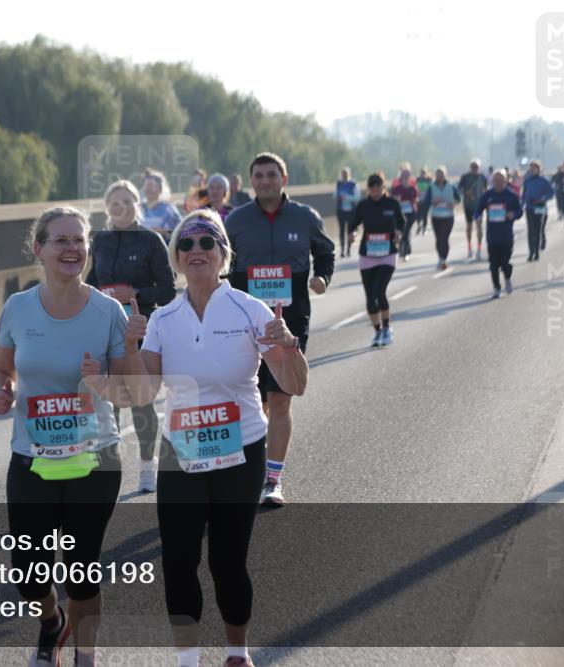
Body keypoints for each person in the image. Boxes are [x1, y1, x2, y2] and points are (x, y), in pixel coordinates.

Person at [124, 209, 309, 667]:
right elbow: (143, 391)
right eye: (186, 244)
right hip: (182, 453)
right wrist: (131, 347)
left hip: (240, 451)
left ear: (223, 253)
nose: (196, 251)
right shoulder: (163, 318)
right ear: (176, 258)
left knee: (227, 562)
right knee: (178, 561)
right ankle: (188, 659)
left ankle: (236, 652)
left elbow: (295, 383)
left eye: (207, 242)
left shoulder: (250, 310)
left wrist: (289, 347)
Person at [0, 205, 139, 667]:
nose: (72, 249)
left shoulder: (107, 311)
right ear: (39, 249)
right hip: (32, 458)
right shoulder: (17, 308)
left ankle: (84, 655)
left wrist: (117, 365)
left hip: (94, 459)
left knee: (81, 569)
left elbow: (131, 393)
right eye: (61, 241)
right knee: (30, 576)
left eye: (80, 241)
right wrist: (2, 389)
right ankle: (51, 622)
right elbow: (1, 369)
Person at [225, 152, 334, 506]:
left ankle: (272, 480)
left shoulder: (305, 217)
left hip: (290, 319)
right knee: (250, 399)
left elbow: (326, 252)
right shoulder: (236, 221)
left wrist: (321, 276)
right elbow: (221, 262)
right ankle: (245, 466)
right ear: (251, 181)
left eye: (272, 174)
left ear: (284, 179)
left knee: (280, 397)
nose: (265, 180)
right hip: (244, 321)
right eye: (259, 175)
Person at [87, 180, 176, 492]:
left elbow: (168, 290)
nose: (121, 208)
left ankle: (147, 465)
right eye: (115, 203)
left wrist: (135, 292)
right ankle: (106, 469)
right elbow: (89, 283)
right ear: (108, 208)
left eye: (128, 202)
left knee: (140, 401)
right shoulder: (101, 241)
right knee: (108, 401)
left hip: (140, 329)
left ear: (138, 205)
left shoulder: (151, 241)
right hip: (106, 330)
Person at [349, 173, 404, 347]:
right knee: (370, 297)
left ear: (383, 187)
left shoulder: (392, 204)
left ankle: (387, 329)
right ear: (368, 189)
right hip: (368, 255)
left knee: (380, 291)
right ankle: (377, 331)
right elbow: (353, 224)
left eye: (378, 188)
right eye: (371, 189)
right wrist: (352, 233)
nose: (375, 192)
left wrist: (399, 233)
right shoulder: (363, 206)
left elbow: (401, 222)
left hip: (387, 254)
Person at [474, 170, 523, 299]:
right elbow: (478, 210)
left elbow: (519, 211)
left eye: (501, 180)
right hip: (492, 236)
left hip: (506, 235)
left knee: (505, 262)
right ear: (492, 181)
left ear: (506, 180)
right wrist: (478, 217)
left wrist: (513, 214)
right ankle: (496, 288)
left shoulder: (511, 196)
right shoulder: (487, 195)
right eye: (496, 180)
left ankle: (507, 277)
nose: (498, 183)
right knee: (493, 264)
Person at [421, 166, 460, 270]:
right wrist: (433, 202)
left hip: (448, 216)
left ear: (445, 175)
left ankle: (443, 259)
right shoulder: (431, 186)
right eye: (438, 174)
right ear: (435, 175)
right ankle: (441, 258)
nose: (439, 176)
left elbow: (458, 198)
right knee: (438, 239)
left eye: (441, 174)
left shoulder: (451, 186)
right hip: (436, 216)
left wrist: (453, 204)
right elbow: (426, 200)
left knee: (444, 238)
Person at [521, 160, 553, 262]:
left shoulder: (544, 181)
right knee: (530, 231)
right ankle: (531, 253)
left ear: (538, 169)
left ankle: (537, 252)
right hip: (529, 207)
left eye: (534, 168)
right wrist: (521, 206)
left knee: (538, 230)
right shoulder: (527, 181)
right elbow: (523, 194)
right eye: (531, 168)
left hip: (540, 207)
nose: (532, 170)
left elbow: (551, 193)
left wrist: (543, 198)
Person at [457, 160, 488, 261]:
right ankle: (469, 247)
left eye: (476, 167)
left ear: (479, 168)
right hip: (468, 205)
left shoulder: (482, 177)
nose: (474, 169)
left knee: (479, 226)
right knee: (469, 226)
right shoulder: (465, 177)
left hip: (479, 206)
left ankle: (479, 248)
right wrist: (466, 192)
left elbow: (485, 190)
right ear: (470, 167)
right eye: (473, 167)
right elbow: (459, 189)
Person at [141, 168, 182, 240]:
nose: (149, 189)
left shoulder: (168, 208)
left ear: (160, 189)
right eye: (147, 186)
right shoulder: (138, 208)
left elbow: (181, 231)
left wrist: (163, 232)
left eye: (152, 186)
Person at [390, 168, 418, 261]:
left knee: (405, 233)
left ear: (409, 177)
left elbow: (415, 200)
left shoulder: (412, 188)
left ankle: (404, 253)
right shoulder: (396, 189)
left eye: (407, 175)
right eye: (404, 175)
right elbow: (392, 200)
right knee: (402, 232)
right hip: (399, 214)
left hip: (410, 214)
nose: (405, 177)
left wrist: (412, 202)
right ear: (401, 177)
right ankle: (406, 250)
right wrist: (396, 200)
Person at [335, 168, 360, 257]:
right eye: (343, 174)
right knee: (341, 230)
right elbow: (334, 195)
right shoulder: (338, 184)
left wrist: (347, 197)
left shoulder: (353, 184)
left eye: (346, 174)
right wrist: (339, 196)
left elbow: (357, 197)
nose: (344, 176)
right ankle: (342, 250)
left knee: (350, 230)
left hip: (351, 211)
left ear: (349, 174)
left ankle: (348, 249)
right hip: (341, 210)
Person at [415, 167, 432, 235]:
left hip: (426, 201)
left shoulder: (429, 180)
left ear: (426, 173)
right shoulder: (417, 180)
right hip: (418, 200)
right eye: (422, 173)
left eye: (424, 173)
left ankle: (424, 229)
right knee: (418, 215)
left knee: (425, 215)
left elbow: (431, 190)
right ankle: (419, 226)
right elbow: (415, 189)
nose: (423, 174)